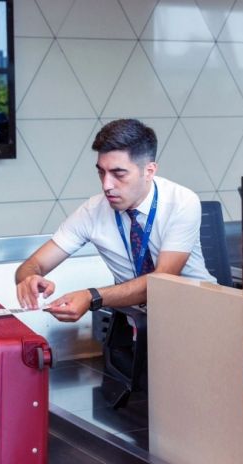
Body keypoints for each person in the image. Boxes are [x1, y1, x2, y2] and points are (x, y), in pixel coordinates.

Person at [16, 118, 214, 321]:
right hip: (143, 320)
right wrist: (29, 279)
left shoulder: (181, 201)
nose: (106, 185)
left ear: (149, 171)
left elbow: (162, 282)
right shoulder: (92, 211)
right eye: (101, 172)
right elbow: (33, 264)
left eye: (118, 174)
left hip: (200, 313)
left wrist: (92, 296)